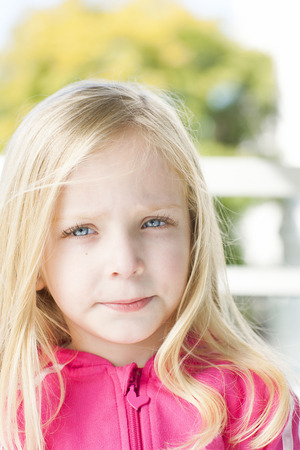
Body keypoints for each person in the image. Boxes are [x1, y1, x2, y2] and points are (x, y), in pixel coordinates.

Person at [0, 80, 298, 450]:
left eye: (154, 222)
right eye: (80, 230)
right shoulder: (11, 414)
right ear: (32, 259)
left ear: (193, 234)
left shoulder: (257, 404)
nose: (125, 264)